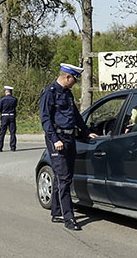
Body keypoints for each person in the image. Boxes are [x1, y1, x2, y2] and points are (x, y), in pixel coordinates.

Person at [39, 63, 97, 232]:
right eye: (74, 80)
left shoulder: (68, 94)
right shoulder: (49, 93)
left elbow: (76, 116)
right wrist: (55, 139)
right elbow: (45, 119)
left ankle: (56, 212)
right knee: (64, 177)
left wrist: (86, 132)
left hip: (70, 138)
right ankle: (68, 217)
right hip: (56, 138)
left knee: (64, 176)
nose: (75, 83)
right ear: (67, 77)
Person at [0, 86, 18, 152]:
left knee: (2, 133)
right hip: (12, 116)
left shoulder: (2, 99)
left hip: (4, 116)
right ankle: (13, 147)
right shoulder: (14, 99)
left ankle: (0, 147)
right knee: (12, 132)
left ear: (6, 91)